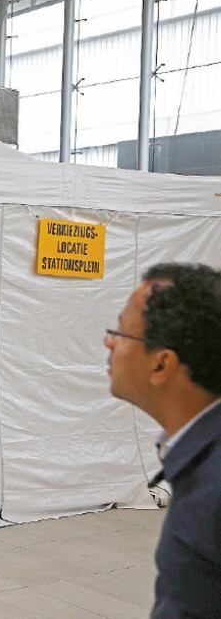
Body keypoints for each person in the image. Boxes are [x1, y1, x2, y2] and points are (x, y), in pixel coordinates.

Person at [104, 262, 221, 616]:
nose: (109, 341)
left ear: (162, 365)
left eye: (122, 331)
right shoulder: (199, 456)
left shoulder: (214, 486)